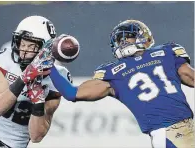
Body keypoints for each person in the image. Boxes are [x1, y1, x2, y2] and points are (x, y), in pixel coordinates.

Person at [44, 20, 195, 148]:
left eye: (129, 37)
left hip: (188, 127)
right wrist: (48, 64)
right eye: (119, 40)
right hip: (168, 133)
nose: (123, 42)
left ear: (143, 37)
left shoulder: (167, 53)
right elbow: (72, 93)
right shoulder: (113, 72)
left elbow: (191, 77)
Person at [0, 15, 72, 148]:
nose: (24, 51)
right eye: (22, 43)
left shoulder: (57, 78)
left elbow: (36, 136)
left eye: (31, 46)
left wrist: (38, 102)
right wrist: (24, 78)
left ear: (45, 48)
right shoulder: (5, 60)